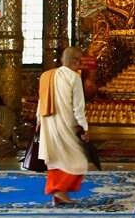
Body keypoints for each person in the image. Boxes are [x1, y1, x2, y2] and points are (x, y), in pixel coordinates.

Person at [37, 46, 89, 206]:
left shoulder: (47, 76)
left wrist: (38, 121)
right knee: (79, 162)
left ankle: (59, 193)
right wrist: (84, 127)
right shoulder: (74, 77)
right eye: (80, 61)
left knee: (55, 157)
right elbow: (78, 107)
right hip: (66, 123)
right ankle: (59, 190)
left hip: (47, 122)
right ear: (75, 61)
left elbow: (41, 101)